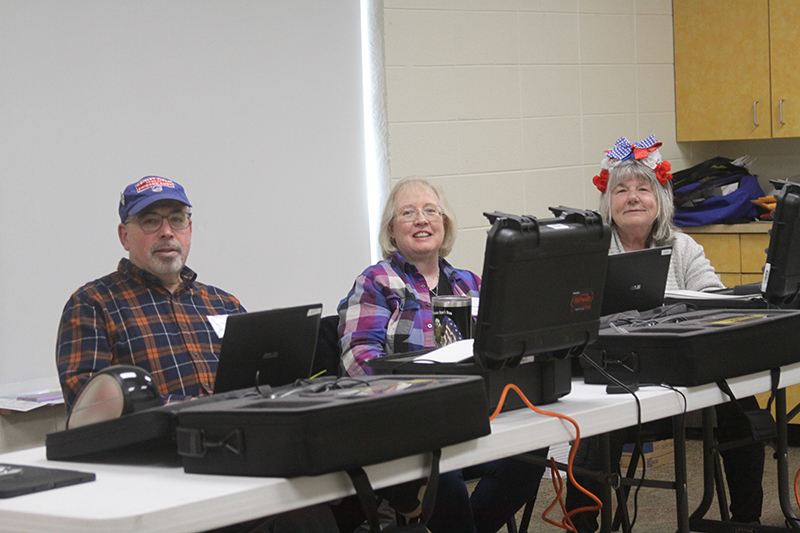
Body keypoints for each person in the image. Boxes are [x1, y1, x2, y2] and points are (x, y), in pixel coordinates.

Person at [56, 176, 337, 533]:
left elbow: (266, 387)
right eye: (150, 220)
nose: (167, 232)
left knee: (307, 504)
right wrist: (202, 415)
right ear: (124, 235)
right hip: (160, 479)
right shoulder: (93, 304)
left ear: (190, 228)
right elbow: (90, 414)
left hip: (240, 464)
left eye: (177, 219)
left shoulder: (223, 303)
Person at [565, 136, 766, 530]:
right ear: (608, 202)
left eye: (643, 189)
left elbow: (712, 300)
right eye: (621, 190)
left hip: (685, 375)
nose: (633, 198)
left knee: (745, 409)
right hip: (618, 376)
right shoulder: (590, 251)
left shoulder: (683, 246)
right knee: (591, 439)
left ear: (660, 199)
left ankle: (747, 520)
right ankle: (583, 525)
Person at [338, 176, 546, 533]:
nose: (421, 219)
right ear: (391, 228)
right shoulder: (376, 282)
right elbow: (358, 359)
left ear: (444, 223)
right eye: (408, 212)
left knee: (529, 457)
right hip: (408, 429)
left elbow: (504, 347)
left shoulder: (472, 283)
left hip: (474, 420)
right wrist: (409, 396)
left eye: (430, 210)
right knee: (442, 479)